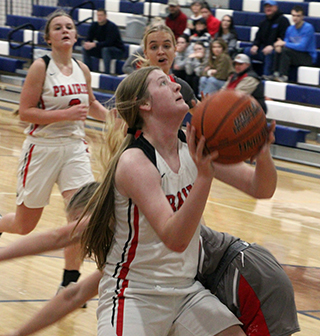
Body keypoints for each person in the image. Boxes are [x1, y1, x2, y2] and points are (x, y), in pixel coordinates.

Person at [1, 166, 300, 336]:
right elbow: (74, 294)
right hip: (230, 277)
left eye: (85, 226)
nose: (81, 237)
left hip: (243, 275)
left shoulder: (134, 219)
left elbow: (57, 237)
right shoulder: (128, 248)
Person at [0, 10, 109, 293]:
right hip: (42, 147)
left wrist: (115, 119)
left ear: (75, 35)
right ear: (48, 38)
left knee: (80, 216)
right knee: (25, 225)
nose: (64, 30)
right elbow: (25, 112)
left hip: (74, 146)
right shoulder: (41, 67)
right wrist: (67, 114)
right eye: (58, 28)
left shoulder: (82, 69)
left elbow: (92, 104)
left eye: (69, 27)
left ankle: (69, 283)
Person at [270, 5, 317, 82]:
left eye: (298, 16)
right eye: (293, 15)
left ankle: (283, 76)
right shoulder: (290, 29)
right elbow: (285, 43)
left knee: (285, 49)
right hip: (294, 54)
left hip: (307, 57)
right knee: (280, 49)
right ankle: (275, 73)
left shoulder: (308, 28)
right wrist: (278, 46)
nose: (295, 18)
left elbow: (302, 47)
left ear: (302, 17)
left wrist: (283, 43)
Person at [243, 0, 290, 77]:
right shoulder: (263, 22)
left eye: (270, 6)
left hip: (276, 50)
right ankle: (248, 76)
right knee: (247, 51)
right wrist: (255, 45)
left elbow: (284, 38)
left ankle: (266, 76)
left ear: (276, 8)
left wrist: (272, 46)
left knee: (269, 53)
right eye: (266, 7)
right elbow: (258, 38)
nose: (268, 8)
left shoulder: (283, 20)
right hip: (263, 49)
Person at [82, 8, 125, 74]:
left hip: (117, 50)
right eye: (98, 15)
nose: (99, 17)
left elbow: (109, 42)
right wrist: (87, 43)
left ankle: (107, 73)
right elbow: (89, 38)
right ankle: (88, 71)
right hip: (102, 49)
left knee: (105, 50)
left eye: (101, 15)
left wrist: (94, 44)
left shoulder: (111, 26)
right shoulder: (94, 25)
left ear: (105, 16)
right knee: (85, 48)